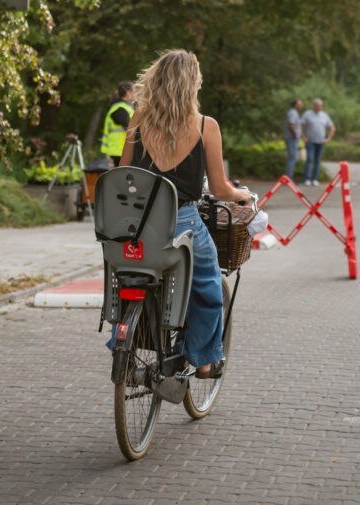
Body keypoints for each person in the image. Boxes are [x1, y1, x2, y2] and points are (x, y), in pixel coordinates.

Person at [117, 49, 251, 379]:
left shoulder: (138, 118)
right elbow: (220, 190)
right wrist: (242, 195)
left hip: (136, 225)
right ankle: (204, 361)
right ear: (192, 84)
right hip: (182, 223)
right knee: (207, 284)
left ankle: (128, 339)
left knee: (131, 276)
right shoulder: (206, 126)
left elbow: (122, 174)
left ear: (156, 80)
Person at [300, 98, 335, 186]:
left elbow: (332, 127)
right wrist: (303, 137)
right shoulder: (307, 114)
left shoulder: (324, 115)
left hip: (320, 142)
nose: (319, 107)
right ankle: (307, 178)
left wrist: (328, 138)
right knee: (310, 159)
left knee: (317, 160)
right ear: (314, 106)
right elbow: (300, 125)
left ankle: (315, 179)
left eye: (321, 106)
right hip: (310, 141)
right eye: (318, 106)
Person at [102, 81, 135, 167]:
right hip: (118, 151)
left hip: (120, 151)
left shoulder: (125, 107)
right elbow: (131, 127)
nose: (136, 94)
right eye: (134, 91)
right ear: (128, 93)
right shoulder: (120, 108)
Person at [283, 98, 303, 180]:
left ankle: (288, 177)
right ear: (295, 105)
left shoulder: (295, 113)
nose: (301, 106)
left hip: (292, 138)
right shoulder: (292, 113)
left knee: (292, 158)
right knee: (292, 158)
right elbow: (291, 125)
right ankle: (288, 178)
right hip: (291, 138)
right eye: (299, 104)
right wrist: (295, 136)